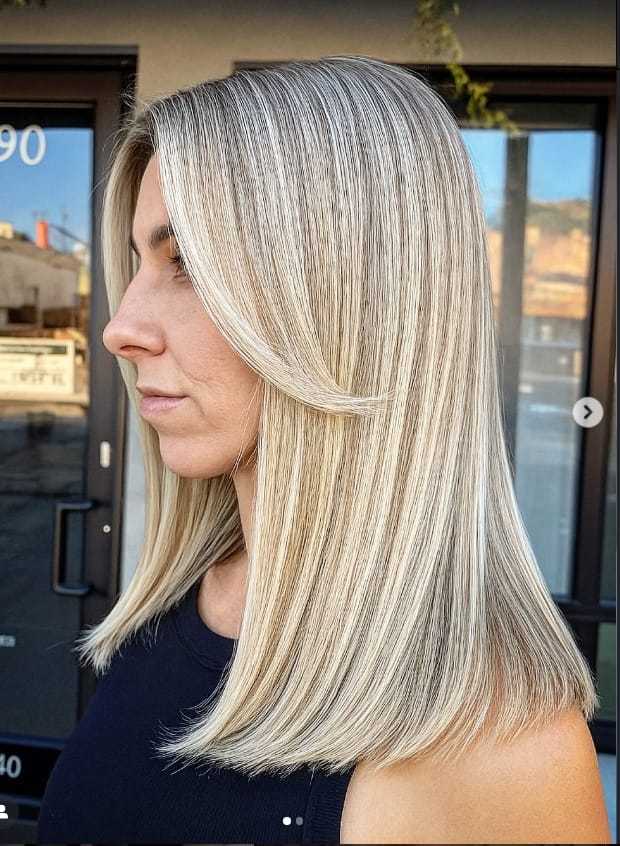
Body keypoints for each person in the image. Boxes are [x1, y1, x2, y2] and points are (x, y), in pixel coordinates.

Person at [37, 55, 611, 844]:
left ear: (350, 306)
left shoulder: (496, 741)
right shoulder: (173, 611)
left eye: (190, 265)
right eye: (141, 262)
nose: (120, 326)